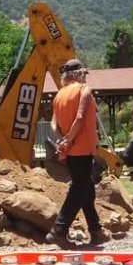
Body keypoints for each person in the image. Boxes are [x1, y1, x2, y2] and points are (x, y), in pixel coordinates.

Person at [48, 59, 104, 246]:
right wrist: (70, 139)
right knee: (79, 187)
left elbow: (53, 124)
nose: (85, 77)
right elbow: (80, 117)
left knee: (86, 186)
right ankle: (59, 229)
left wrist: (62, 140)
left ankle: (96, 230)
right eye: (83, 74)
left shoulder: (59, 95)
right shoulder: (84, 90)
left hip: (69, 151)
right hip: (82, 148)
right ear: (79, 74)